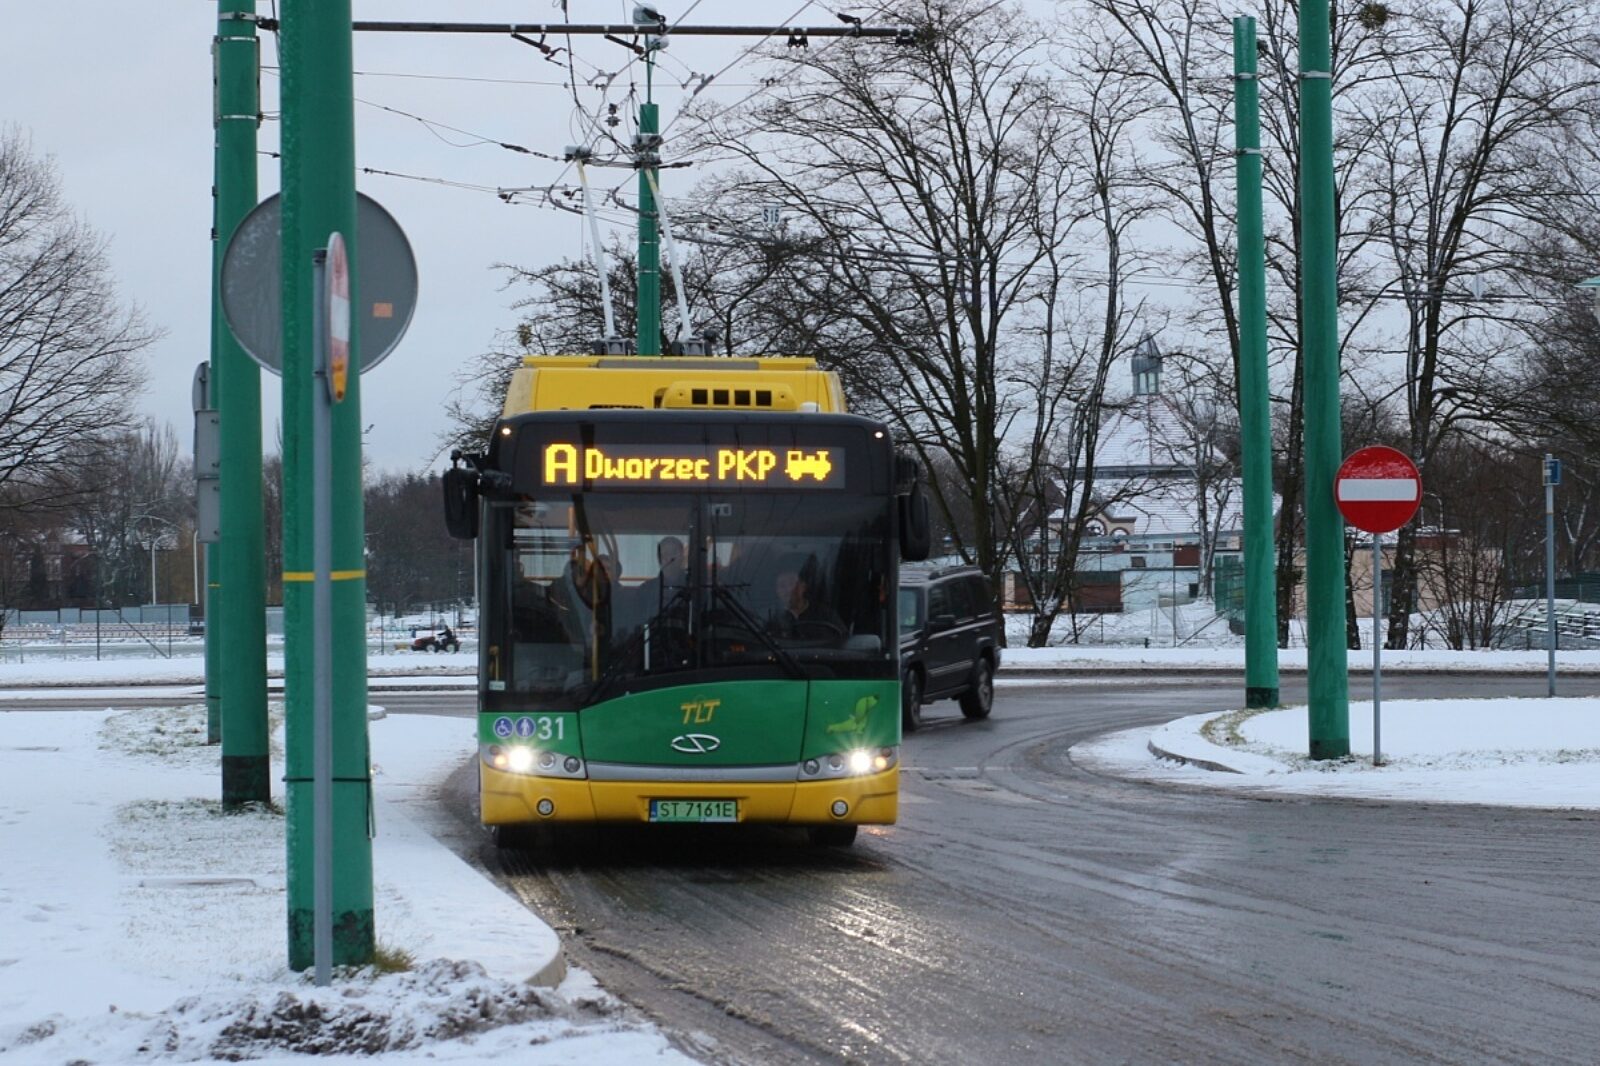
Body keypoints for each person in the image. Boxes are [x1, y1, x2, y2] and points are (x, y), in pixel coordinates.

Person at [769, 557, 843, 636]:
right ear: (776, 591)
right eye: (782, 585)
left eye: (792, 583)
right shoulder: (771, 618)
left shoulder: (826, 615)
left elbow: (844, 638)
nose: (788, 590)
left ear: (803, 586)